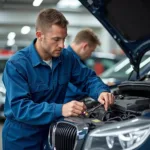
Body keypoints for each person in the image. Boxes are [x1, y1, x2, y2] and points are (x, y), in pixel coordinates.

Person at [2, 8, 114, 150]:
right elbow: (21, 108)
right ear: (39, 35)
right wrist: (60, 109)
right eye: (56, 39)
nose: (62, 45)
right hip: (22, 139)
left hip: (52, 134)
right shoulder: (17, 65)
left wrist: (101, 91)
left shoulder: (66, 58)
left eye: (64, 38)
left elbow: (87, 78)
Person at [65, 28, 103, 103]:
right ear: (85, 46)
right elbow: (74, 91)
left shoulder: (79, 61)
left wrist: (101, 89)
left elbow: (87, 79)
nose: (90, 54)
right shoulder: (66, 60)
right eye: (91, 51)